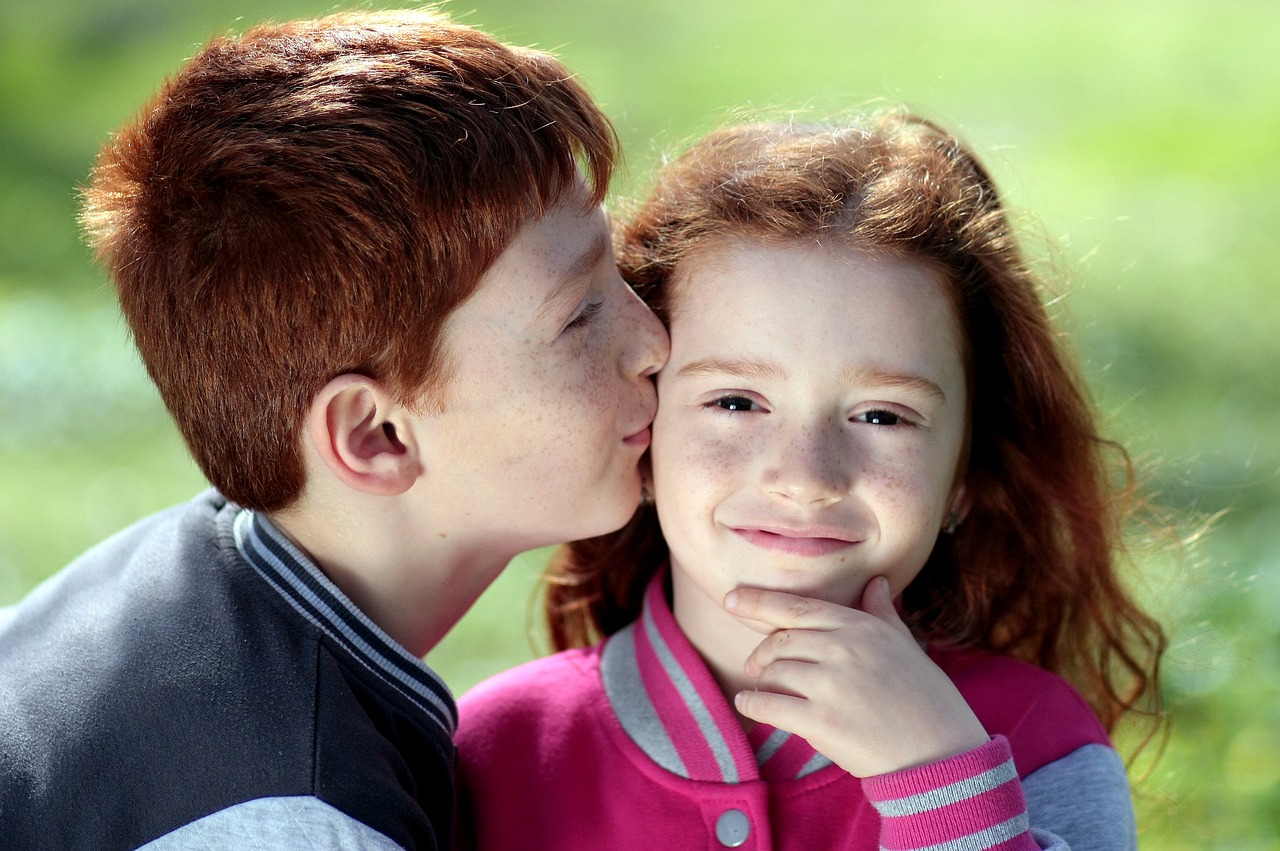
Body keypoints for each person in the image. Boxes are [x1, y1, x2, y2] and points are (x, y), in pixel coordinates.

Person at [0, 9, 667, 850]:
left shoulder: (193, 572)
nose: (653, 343)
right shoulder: (294, 820)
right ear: (376, 437)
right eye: (579, 316)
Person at [454, 111, 1167, 850]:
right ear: (644, 430)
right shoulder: (497, 747)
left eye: (883, 416)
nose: (804, 476)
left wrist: (942, 788)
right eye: (736, 402)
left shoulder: (1040, 741)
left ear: (968, 472)